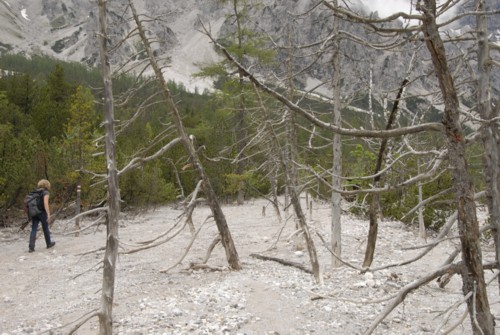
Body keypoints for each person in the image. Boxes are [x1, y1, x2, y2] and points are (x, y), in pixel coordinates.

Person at [28, 179, 55, 252]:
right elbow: (46, 204)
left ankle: (31, 247)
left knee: (34, 228)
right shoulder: (45, 192)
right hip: (42, 212)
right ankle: (48, 243)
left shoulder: (34, 192)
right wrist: (48, 214)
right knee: (45, 227)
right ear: (47, 185)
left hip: (34, 212)